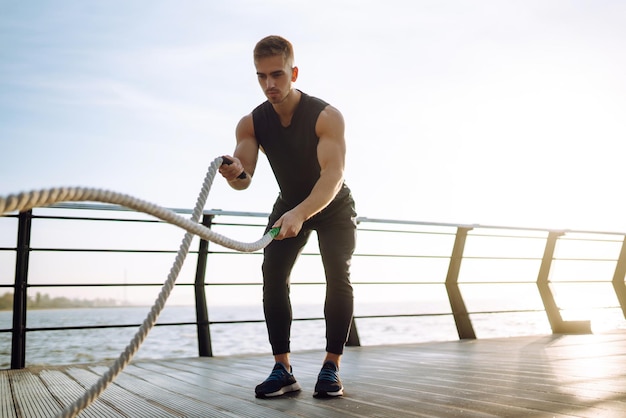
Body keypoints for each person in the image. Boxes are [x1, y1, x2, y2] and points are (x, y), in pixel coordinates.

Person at [219, 35, 357, 399]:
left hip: (332, 205)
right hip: (289, 202)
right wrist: (235, 173)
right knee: (273, 272)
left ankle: (331, 366)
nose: (270, 84)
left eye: (277, 75)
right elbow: (244, 179)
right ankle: (283, 369)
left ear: (293, 72)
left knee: (336, 272)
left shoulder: (326, 116)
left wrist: (300, 213)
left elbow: (332, 176)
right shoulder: (251, 123)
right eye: (262, 77)